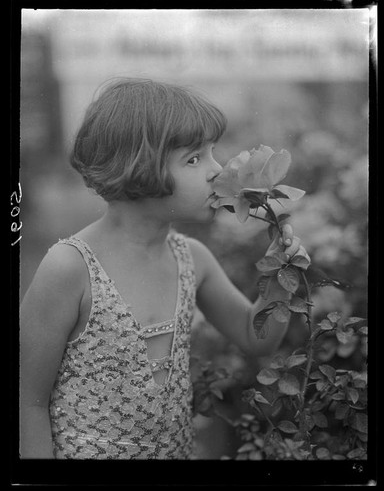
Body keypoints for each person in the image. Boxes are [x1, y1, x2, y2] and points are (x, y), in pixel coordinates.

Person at [20, 77, 306, 460]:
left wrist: (280, 275)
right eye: (194, 159)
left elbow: (257, 338)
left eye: (212, 152)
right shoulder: (70, 268)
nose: (217, 170)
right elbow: (27, 402)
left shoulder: (192, 258)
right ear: (137, 168)